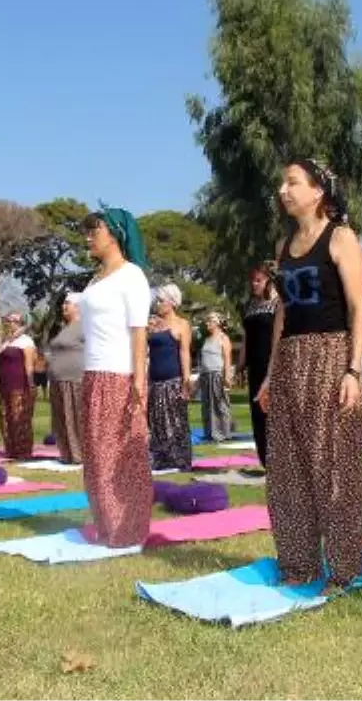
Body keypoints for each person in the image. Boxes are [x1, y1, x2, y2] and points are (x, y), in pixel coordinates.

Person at [257, 158, 362, 591]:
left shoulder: (340, 237)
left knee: (333, 464)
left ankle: (344, 569)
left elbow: (359, 307)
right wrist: (270, 374)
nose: (283, 190)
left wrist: (353, 370)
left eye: (292, 182)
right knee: (287, 467)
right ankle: (298, 565)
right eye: (282, 183)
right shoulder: (284, 248)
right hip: (290, 360)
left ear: (318, 190)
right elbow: (283, 311)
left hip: (332, 354)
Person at [79, 207, 153, 546]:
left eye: (95, 231)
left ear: (115, 234)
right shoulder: (94, 279)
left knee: (120, 454)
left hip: (121, 375)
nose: (89, 237)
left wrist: (138, 381)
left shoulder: (132, 275)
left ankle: (128, 529)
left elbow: (138, 331)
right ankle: (106, 526)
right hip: (93, 373)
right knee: (95, 454)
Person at [147, 284, 193, 470]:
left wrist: (186, 380)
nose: (157, 304)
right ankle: (161, 459)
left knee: (175, 421)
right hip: (155, 382)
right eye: (157, 300)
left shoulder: (182, 324)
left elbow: (185, 353)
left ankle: (179, 459)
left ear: (172, 302)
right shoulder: (152, 324)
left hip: (173, 380)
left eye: (161, 300)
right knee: (157, 421)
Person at [239, 263, 279, 466]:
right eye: (252, 281)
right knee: (257, 412)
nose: (254, 284)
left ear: (269, 281)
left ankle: (280, 460)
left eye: (258, 280)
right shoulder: (250, 306)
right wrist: (240, 365)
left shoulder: (278, 304)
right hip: (254, 365)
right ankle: (266, 460)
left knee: (273, 411)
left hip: (272, 364)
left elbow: (280, 336)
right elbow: (246, 338)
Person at [47, 292, 86, 464]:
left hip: (75, 378)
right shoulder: (64, 328)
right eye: (63, 303)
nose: (63, 306)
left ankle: (80, 455)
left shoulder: (84, 326)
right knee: (61, 419)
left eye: (67, 303)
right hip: (58, 380)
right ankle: (67, 454)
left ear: (78, 307)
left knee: (75, 418)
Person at [0, 311, 37, 460]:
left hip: (20, 384)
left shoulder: (26, 341)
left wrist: (31, 384)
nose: (10, 324)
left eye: (13, 321)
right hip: (4, 385)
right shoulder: (6, 341)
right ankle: (10, 449)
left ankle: (23, 450)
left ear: (19, 323)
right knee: (5, 418)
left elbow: (29, 363)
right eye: (8, 321)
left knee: (19, 417)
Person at [199, 311, 234, 442]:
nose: (207, 323)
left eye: (210, 321)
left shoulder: (224, 338)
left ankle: (224, 433)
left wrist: (227, 377)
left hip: (218, 375)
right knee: (207, 406)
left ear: (217, 323)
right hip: (206, 376)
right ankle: (209, 433)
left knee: (220, 405)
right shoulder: (206, 339)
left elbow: (227, 359)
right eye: (207, 320)